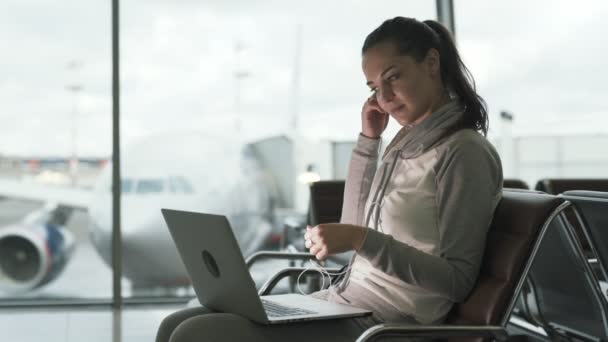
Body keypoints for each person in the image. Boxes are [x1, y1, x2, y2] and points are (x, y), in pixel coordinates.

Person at [156, 16, 503, 342]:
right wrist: (368, 142)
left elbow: (457, 281)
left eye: (393, 77)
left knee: (196, 334)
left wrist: (361, 239)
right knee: (175, 323)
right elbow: (353, 224)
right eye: (374, 87)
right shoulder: (404, 143)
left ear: (431, 63)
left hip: (390, 324)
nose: (383, 98)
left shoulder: (464, 153)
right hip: (346, 300)